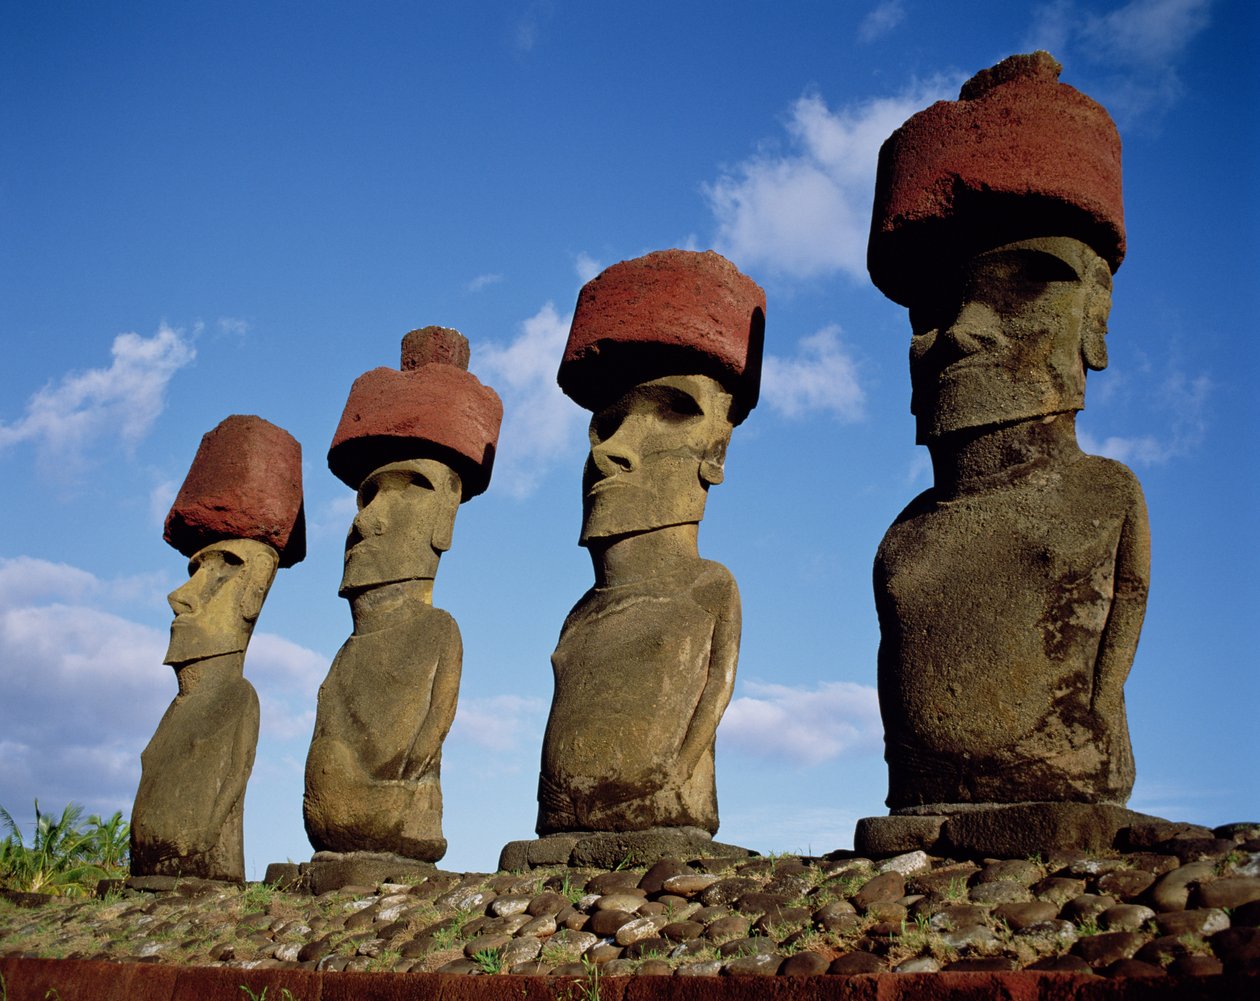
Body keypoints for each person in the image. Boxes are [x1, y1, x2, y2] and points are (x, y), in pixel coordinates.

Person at [536, 249, 764, 837]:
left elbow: (714, 693)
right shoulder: (580, 611)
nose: (608, 451)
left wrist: (673, 775)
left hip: (664, 808)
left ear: (715, 452)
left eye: (670, 413)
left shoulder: (708, 585)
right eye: (605, 423)